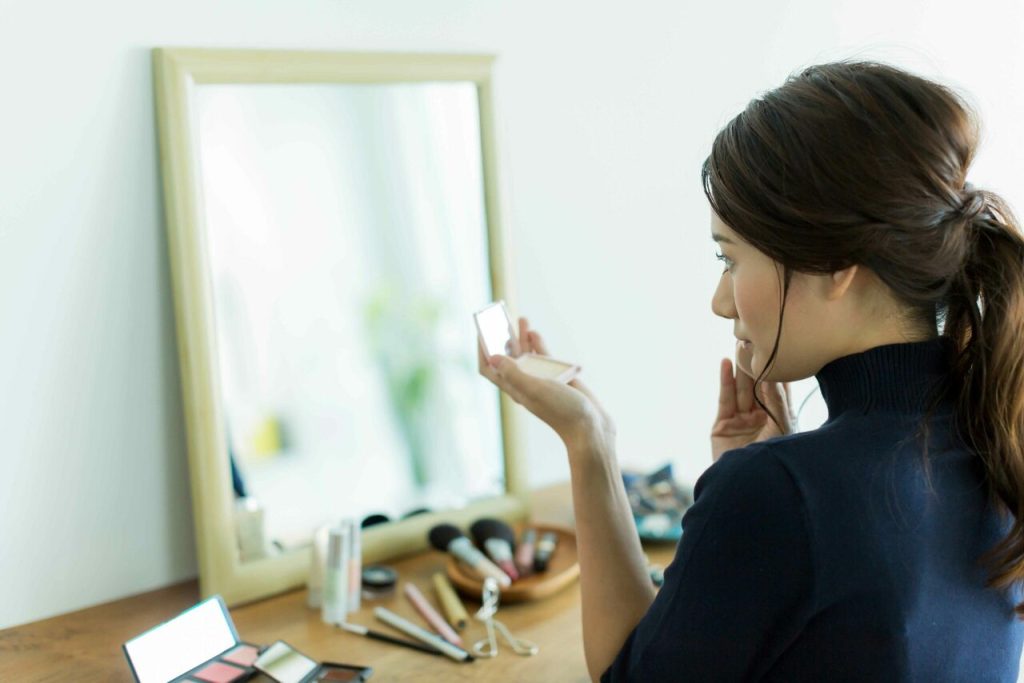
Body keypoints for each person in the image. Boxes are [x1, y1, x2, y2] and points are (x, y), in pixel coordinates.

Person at [478, 61, 1024, 682]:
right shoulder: (996, 437)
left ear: (834, 263)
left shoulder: (781, 492)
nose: (721, 301)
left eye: (730, 258)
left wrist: (589, 441)